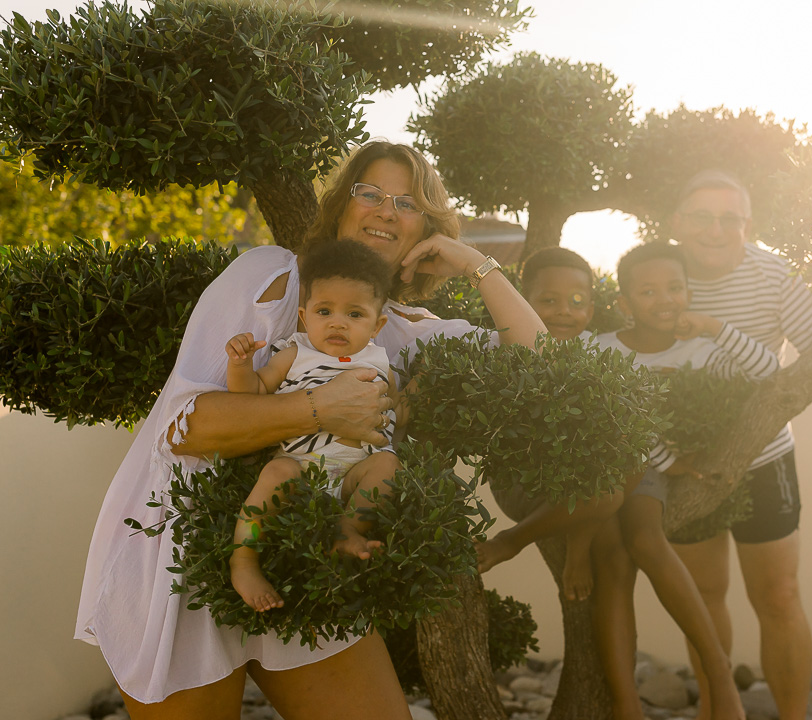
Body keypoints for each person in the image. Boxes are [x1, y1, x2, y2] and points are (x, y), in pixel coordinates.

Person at [75, 140, 546, 719]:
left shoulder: (410, 332)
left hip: (307, 558)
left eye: (407, 202)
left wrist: (475, 262)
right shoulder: (271, 278)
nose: (384, 210)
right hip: (181, 554)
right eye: (369, 193)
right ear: (341, 206)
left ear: (426, 228)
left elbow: (535, 358)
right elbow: (186, 428)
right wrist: (320, 408)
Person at [591, 241, 777, 720]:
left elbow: (771, 374)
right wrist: (662, 458)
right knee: (627, 550)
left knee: (647, 542)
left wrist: (715, 326)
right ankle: (627, 699)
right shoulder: (602, 349)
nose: (666, 299)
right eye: (648, 291)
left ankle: (717, 669)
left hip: (667, 475)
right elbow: (606, 421)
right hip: (623, 467)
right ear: (625, 304)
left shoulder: (703, 350)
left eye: (675, 287)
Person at [669, 170, 812, 720]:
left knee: (779, 597)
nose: (715, 230)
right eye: (701, 217)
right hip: (683, 464)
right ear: (676, 223)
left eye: (729, 219)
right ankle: (721, 711)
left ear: (747, 226)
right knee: (702, 598)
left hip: (765, 458)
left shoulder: (773, 271)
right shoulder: (657, 272)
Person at [225, 239, 399, 612]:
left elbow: (394, 416)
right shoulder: (295, 352)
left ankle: (349, 528)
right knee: (275, 472)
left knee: (387, 465)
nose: (337, 322)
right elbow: (252, 394)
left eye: (355, 314)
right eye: (324, 311)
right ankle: (244, 557)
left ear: (377, 324)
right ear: (305, 317)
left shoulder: (381, 361)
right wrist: (240, 365)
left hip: (356, 469)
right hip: (301, 469)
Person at [474, 246, 618, 602]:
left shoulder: (597, 353)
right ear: (522, 302)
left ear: (591, 309)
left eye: (576, 300)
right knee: (607, 490)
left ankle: (576, 548)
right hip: (523, 481)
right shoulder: (506, 347)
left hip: (583, 480)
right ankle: (512, 540)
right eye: (549, 300)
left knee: (617, 468)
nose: (564, 311)